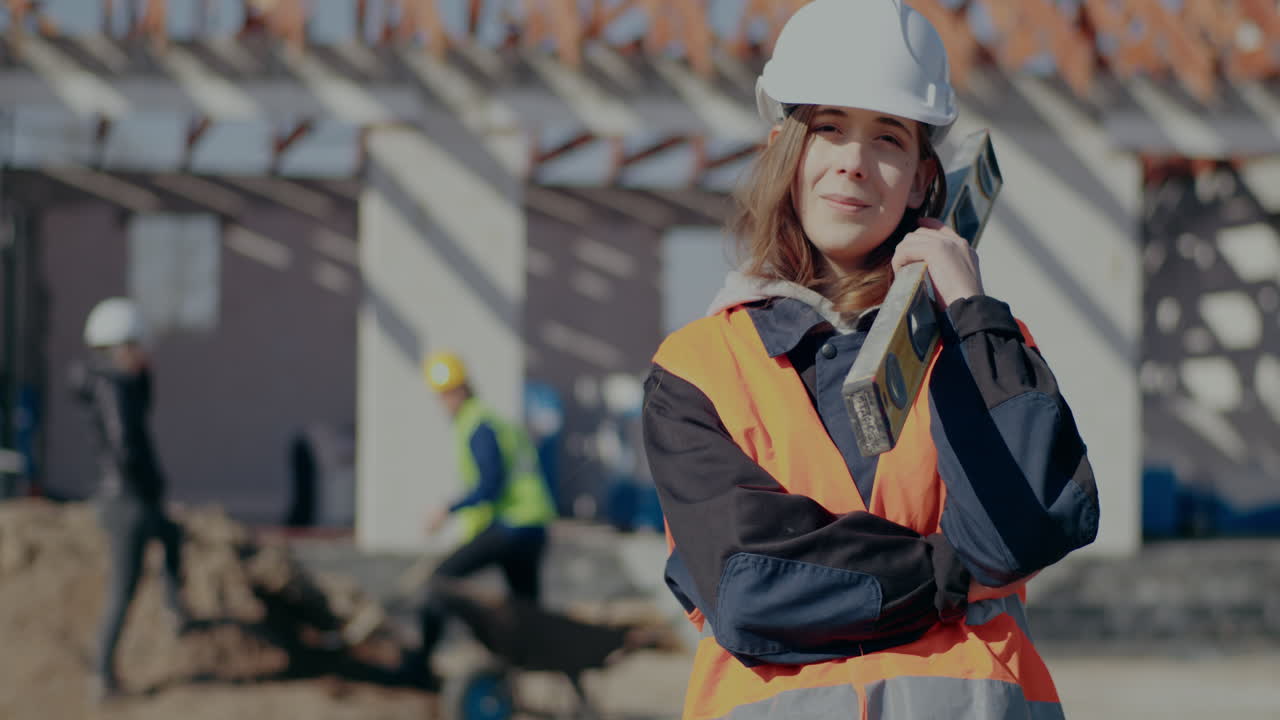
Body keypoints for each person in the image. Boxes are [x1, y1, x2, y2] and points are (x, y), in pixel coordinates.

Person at [641, 1, 1100, 718]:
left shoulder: (982, 343)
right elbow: (751, 587)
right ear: (783, 151)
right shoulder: (699, 368)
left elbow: (1029, 529)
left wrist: (971, 315)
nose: (854, 163)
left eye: (888, 138)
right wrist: (952, 575)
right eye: (829, 128)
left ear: (921, 180)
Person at [401, 350, 558, 690]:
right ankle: (520, 677)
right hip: (533, 528)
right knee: (525, 609)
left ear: (457, 391)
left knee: (440, 581)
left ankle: (419, 668)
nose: (442, 403)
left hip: (511, 526)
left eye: (443, 396)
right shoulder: (493, 420)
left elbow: (491, 484)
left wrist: (447, 510)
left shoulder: (477, 424)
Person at [71, 298, 191, 702]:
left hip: (136, 497)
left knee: (173, 536)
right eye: (139, 346)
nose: (146, 353)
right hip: (128, 502)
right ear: (122, 347)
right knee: (123, 588)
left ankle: (176, 609)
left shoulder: (123, 386)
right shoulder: (113, 388)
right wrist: (146, 485)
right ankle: (102, 677)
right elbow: (126, 446)